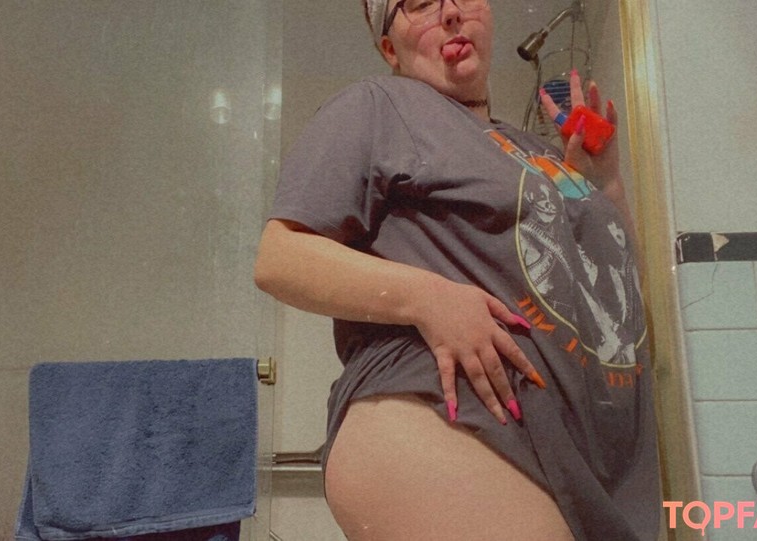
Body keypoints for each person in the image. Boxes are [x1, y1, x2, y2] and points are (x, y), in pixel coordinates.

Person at [253, 0, 660, 538]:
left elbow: (618, 286)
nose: (448, 12)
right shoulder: (378, 105)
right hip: (449, 418)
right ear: (390, 48)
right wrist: (428, 298)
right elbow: (280, 258)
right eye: (419, 4)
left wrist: (603, 183)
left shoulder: (534, 151)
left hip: (591, 460)